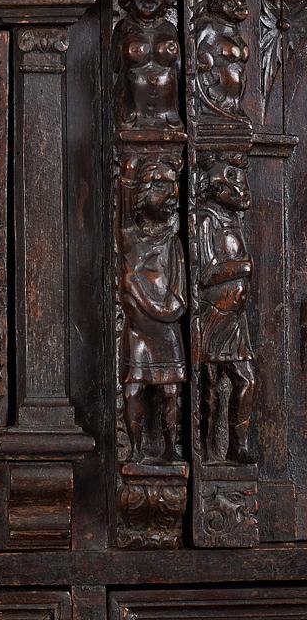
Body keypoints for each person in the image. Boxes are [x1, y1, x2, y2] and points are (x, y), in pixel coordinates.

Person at [121, 158, 187, 462]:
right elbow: (123, 205)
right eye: (162, 185)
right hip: (137, 333)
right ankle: (135, 450)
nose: (172, 193)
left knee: (170, 392)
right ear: (143, 191)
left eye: (173, 185)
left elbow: (178, 300)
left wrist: (139, 294)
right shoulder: (130, 238)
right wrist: (128, 174)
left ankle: (170, 448)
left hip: (165, 331)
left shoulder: (172, 243)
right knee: (133, 389)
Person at [198, 152, 255, 463]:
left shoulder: (233, 219)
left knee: (246, 379)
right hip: (214, 314)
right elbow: (206, 273)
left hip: (235, 317)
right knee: (208, 384)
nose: (241, 188)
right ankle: (207, 449)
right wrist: (243, 268)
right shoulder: (207, 219)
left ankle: (238, 445)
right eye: (232, 178)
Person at [113, 0, 183, 130]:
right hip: (131, 122)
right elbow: (114, 72)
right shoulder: (123, 29)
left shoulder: (170, 29)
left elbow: (181, 72)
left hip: (169, 121)